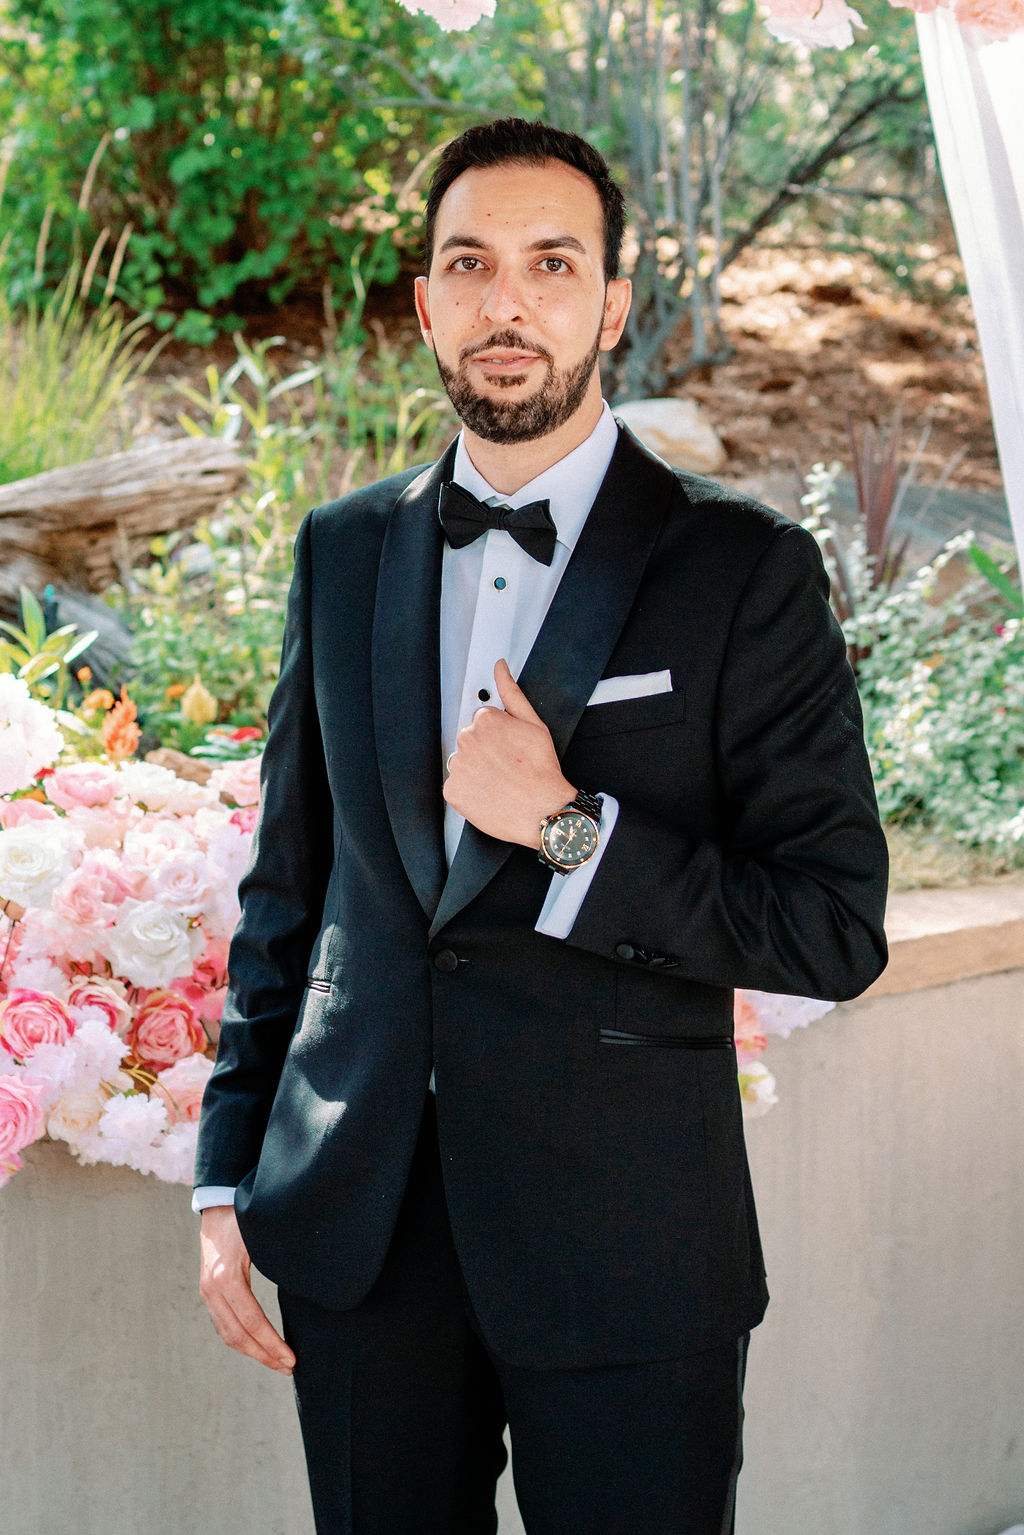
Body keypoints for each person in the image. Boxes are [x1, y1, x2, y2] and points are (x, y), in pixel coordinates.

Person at [194, 118, 888, 1535]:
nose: (508, 302)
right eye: (471, 264)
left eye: (551, 264)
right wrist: (226, 1176)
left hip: (628, 1248)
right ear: (427, 303)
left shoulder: (742, 568)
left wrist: (572, 830)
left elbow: (832, 925)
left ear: (614, 305)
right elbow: (293, 895)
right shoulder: (341, 551)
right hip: (360, 1241)